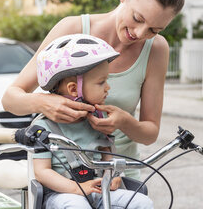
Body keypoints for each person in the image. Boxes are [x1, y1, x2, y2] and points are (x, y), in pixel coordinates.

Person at [2, 0, 185, 179]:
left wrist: (124, 122)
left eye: (154, 30)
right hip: (63, 177)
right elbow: (10, 99)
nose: (140, 33)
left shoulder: (156, 49)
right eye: (137, 18)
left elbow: (149, 133)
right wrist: (45, 103)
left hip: (118, 174)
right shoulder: (72, 30)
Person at [32, 34, 153, 208]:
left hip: (96, 188)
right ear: (74, 89)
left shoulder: (97, 120)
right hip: (62, 194)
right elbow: (42, 172)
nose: (108, 87)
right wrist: (76, 188)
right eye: (101, 82)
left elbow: (108, 158)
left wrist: (112, 177)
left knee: (141, 202)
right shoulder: (43, 127)